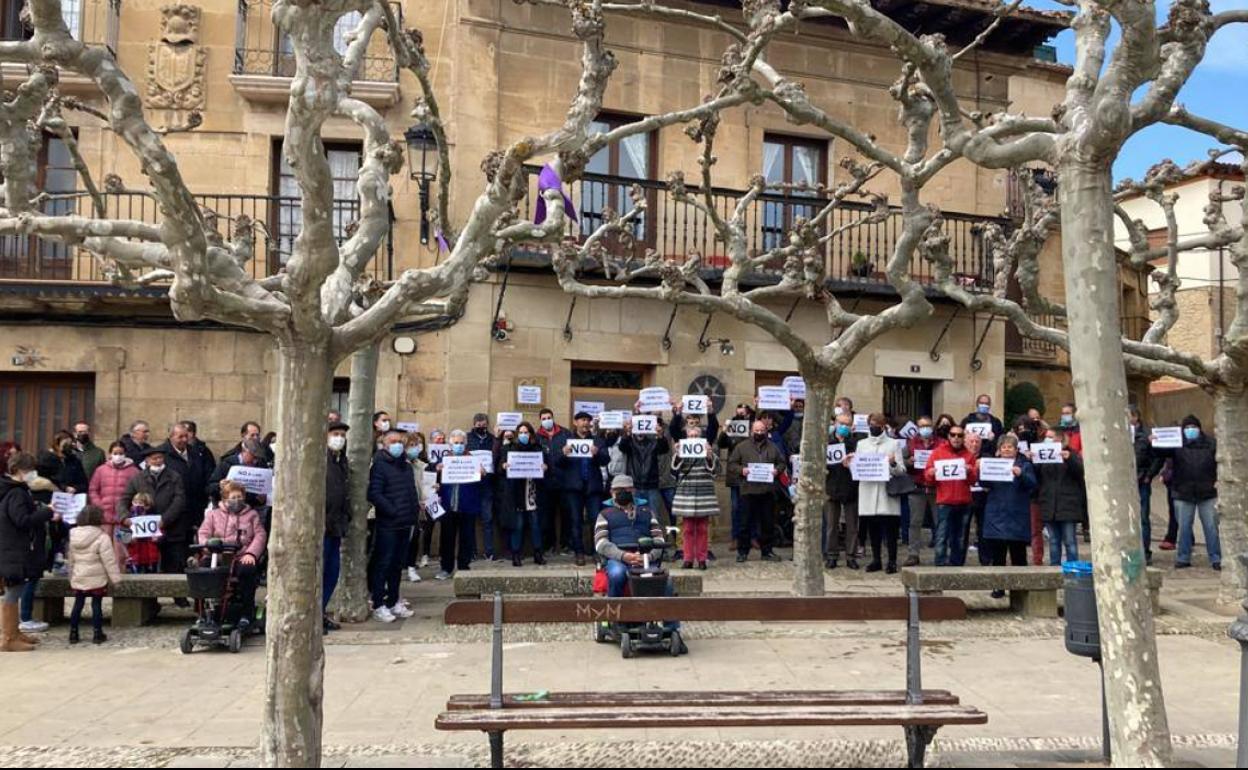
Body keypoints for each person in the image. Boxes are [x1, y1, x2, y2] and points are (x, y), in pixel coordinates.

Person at [1, 452, 60, 651]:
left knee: (15, 590)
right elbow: (22, 520)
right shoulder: (16, 491)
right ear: (18, 470)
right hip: (12, 548)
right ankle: (8, 638)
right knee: (12, 592)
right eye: (29, 470)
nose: (32, 473)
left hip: (12, 547)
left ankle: (14, 632)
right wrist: (47, 512)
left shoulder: (13, 488)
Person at [197, 481, 267, 632]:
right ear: (224, 499)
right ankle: (204, 612)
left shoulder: (252, 515)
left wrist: (251, 553)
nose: (237, 500)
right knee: (203, 570)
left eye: (239, 497)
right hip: (218, 554)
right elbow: (203, 534)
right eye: (233, 497)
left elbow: (260, 535)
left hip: (241, 555)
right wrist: (209, 545)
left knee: (247, 570)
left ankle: (246, 614)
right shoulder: (213, 515)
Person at [1154, 415, 1221, 570]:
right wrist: (1154, 442)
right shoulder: (1176, 444)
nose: (1191, 430)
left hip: (1207, 492)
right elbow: (1160, 453)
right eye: (1188, 428)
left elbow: (1220, 462)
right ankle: (1183, 557)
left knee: (1211, 527)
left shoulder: (1211, 444)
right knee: (1184, 526)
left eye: (1194, 427)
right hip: (1183, 492)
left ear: (1199, 428)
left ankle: (1216, 557)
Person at [366, 430, 419, 621]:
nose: (397, 445)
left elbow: (411, 492)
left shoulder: (406, 467)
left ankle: (394, 601)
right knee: (384, 563)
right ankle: (379, 603)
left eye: (400, 442)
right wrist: (392, 511)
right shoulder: (379, 465)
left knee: (397, 565)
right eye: (393, 441)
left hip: (406, 523)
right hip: (389, 523)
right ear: (385, 444)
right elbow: (374, 494)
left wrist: (413, 514)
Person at [121, 446, 188, 589]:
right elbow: (123, 499)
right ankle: (150, 600)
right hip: (145, 535)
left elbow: (179, 500)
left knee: (174, 564)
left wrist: (165, 519)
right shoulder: (138, 478)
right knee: (148, 565)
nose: (158, 461)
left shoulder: (174, 476)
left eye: (160, 458)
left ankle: (178, 597)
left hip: (171, 528)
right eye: (154, 458)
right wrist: (125, 518)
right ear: (147, 460)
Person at [593, 475, 668, 597]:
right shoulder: (604, 514)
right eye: (618, 490)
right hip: (617, 558)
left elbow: (659, 539)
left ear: (633, 491)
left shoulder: (648, 512)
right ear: (612, 493)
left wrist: (648, 556)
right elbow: (601, 543)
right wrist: (623, 556)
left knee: (666, 582)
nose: (622, 493)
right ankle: (614, 611)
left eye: (626, 490)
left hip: (645, 558)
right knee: (617, 574)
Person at [551, 411, 611, 566]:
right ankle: (579, 552)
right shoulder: (566, 440)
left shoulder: (597, 440)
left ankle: (597, 552)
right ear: (575, 422)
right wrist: (563, 454)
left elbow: (606, 460)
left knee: (595, 521)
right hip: (573, 487)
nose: (585, 423)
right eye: (582, 420)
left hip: (593, 487)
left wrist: (597, 454)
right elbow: (556, 462)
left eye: (587, 420)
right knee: (575, 520)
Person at [980, 435, 1038, 591]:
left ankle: (1020, 588)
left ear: (1016, 449)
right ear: (999, 450)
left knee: (1018, 554)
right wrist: (981, 470)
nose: (1006, 449)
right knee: (998, 555)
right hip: (996, 514)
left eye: (1010, 447)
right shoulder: (993, 464)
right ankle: (998, 587)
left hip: (1017, 514)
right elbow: (983, 483)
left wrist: (1021, 474)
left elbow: (1033, 484)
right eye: (1003, 447)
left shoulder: (1025, 465)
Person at [727, 419, 787, 563]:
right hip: (748, 490)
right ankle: (743, 552)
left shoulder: (773, 447)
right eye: (756, 431)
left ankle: (767, 551)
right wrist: (742, 470)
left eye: (762, 431)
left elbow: (782, 462)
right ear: (751, 431)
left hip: (767, 491)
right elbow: (732, 464)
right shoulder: (741, 447)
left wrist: (776, 471)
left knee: (768, 523)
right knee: (744, 523)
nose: (759, 433)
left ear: (766, 431)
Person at [855, 413, 907, 573]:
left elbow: (901, 470)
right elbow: (858, 465)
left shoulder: (893, 444)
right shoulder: (862, 444)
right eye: (871, 423)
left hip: (886, 492)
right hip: (868, 491)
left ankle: (892, 561)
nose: (874, 426)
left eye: (877, 424)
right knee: (873, 529)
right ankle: (876, 559)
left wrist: (892, 463)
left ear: (883, 425)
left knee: (890, 530)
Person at [924, 424, 978, 567]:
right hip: (945, 500)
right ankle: (940, 563)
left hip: (964, 501)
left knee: (960, 537)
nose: (956, 438)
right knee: (942, 535)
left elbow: (973, 480)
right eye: (953, 435)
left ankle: (957, 564)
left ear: (963, 438)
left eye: (959, 435)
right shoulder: (937, 453)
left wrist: (970, 471)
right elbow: (928, 476)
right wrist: (930, 474)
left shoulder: (969, 455)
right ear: (948, 436)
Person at [66, 505, 121, 645]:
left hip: (79, 574)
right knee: (96, 605)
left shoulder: (73, 535)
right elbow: (109, 560)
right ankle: (97, 633)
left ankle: (73, 633)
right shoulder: (102, 537)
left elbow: (71, 559)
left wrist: (71, 575)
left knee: (78, 604)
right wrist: (116, 579)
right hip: (97, 577)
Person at [497, 422, 547, 567]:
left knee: (536, 525)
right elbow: (499, 468)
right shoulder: (508, 448)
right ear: (517, 434)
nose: (523, 435)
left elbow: (547, 467)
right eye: (521, 433)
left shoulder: (538, 449)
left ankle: (538, 553)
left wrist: (545, 467)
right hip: (515, 493)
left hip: (532, 493)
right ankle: (516, 554)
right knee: (517, 525)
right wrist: (503, 466)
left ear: (531, 434)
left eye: (526, 432)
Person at [435, 430, 481, 580]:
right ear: (450, 444)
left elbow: (482, 482)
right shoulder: (443, 460)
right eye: (456, 443)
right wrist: (437, 470)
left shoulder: (472, 460)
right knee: (447, 538)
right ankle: (446, 568)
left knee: (466, 538)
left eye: (461, 443)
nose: (459, 446)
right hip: (448, 505)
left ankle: (463, 566)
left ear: (466, 444)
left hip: (467, 506)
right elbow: (431, 480)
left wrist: (482, 472)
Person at [1035, 427, 1085, 565]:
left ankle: (1073, 570)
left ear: (1060, 438)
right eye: (1046, 437)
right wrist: (1033, 460)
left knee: (1070, 541)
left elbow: (1080, 473)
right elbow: (1036, 478)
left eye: (1051, 437)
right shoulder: (1042, 455)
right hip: (1049, 504)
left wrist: (1069, 460)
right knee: (1053, 541)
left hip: (1068, 505)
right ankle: (1054, 570)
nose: (1048, 440)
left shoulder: (1072, 454)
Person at [88, 441, 139, 572]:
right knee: (103, 549)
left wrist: (129, 509)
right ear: (110, 454)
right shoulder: (100, 470)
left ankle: (121, 579)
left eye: (121, 453)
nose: (118, 456)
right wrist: (100, 505)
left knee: (122, 552)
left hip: (123, 519)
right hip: (104, 518)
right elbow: (93, 489)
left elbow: (138, 493)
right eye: (115, 453)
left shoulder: (134, 471)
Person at [671, 426, 718, 570]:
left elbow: (715, 472)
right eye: (690, 436)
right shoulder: (681, 451)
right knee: (688, 529)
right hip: (687, 494)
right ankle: (688, 558)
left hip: (704, 493)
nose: (693, 438)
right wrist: (678, 454)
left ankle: (702, 559)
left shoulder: (708, 450)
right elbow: (673, 472)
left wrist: (709, 456)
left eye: (696, 435)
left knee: (703, 528)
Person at [619, 406, 672, 526]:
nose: (640, 430)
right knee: (635, 515)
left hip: (651, 486)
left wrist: (660, 436)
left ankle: (655, 541)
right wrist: (627, 433)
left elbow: (664, 449)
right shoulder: (630, 443)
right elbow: (622, 447)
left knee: (654, 516)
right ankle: (639, 541)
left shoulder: (653, 442)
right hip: (635, 485)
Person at [160, 422, 214, 533]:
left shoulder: (197, 453)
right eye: (180, 437)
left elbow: (207, 476)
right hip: (172, 512)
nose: (184, 439)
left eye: (186, 436)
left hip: (196, 510)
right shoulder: (161, 454)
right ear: (171, 437)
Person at [323, 421, 350, 631]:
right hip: (322, 525)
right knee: (321, 571)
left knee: (332, 571)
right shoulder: (320, 459)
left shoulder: (341, 460)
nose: (339, 438)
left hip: (336, 525)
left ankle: (321, 610)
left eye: (342, 434)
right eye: (335, 433)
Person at [716, 402, 756, 547]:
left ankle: (752, 537)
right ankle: (736, 538)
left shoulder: (752, 424)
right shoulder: (732, 424)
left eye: (744, 412)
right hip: (735, 475)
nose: (741, 414)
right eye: (739, 412)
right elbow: (721, 444)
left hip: (751, 473)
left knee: (751, 506)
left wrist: (751, 413)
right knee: (735, 508)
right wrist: (725, 431)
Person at [825, 413, 860, 570]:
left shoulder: (855, 443)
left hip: (850, 487)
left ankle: (851, 556)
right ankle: (831, 555)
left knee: (852, 525)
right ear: (836, 423)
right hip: (831, 487)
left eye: (847, 424)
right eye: (841, 423)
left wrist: (852, 463)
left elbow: (862, 465)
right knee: (832, 525)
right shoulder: (826, 441)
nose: (844, 427)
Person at [903, 416, 939, 567]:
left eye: (928, 426)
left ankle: (940, 553)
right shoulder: (911, 443)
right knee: (915, 522)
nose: (925, 429)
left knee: (939, 521)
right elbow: (901, 462)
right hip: (917, 487)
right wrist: (908, 462)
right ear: (917, 428)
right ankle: (913, 554)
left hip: (936, 487)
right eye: (922, 426)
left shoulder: (941, 443)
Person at [536, 408, 569, 554]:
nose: (546, 420)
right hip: (545, 483)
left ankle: (565, 544)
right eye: (543, 418)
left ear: (553, 417)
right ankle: (548, 544)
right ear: (540, 420)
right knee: (546, 516)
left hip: (564, 481)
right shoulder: (537, 437)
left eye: (549, 417)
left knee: (566, 515)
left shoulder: (565, 433)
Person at [466, 414, 498, 562]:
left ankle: (489, 551)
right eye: (478, 425)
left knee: (488, 520)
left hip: (487, 485)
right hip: (471, 486)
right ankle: (471, 551)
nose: (481, 427)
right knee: (470, 521)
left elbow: (496, 455)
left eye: (483, 425)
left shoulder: (492, 438)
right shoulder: (467, 438)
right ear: (473, 424)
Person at [1128, 405, 1157, 564]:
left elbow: (1156, 457)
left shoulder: (1147, 435)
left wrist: (1149, 475)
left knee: (1143, 518)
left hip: (1142, 480)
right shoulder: (1119, 434)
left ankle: (1145, 551)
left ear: (1135, 417)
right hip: (1125, 481)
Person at [208, 438, 272, 509]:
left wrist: (261, 499)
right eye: (253, 456)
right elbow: (210, 488)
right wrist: (219, 486)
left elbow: (263, 491)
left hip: (249, 511)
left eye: (257, 458)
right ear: (244, 451)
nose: (255, 460)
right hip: (226, 510)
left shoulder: (261, 465)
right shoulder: (226, 464)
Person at [403, 431, 429, 583]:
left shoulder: (421, 466)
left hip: (417, 509)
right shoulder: (399, 466)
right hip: (402, 509)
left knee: (414, 540)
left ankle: (411, 567)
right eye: (410, 446)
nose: (414, 448)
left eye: (416, 445)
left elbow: (424, 485)